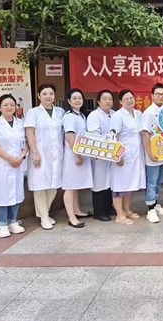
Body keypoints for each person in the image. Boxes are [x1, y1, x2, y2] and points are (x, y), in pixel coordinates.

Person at [0, 94, 28, 238]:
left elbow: (26, 143)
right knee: (2, 194)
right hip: (1, 165)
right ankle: (2, 224)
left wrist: (21, 157)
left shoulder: (21, 123)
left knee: (16, 193)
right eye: (6, 105)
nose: (9, 107)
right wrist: (10, 159)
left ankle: (13, 221)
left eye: (12, 105)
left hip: (18, 163)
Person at [25, 83, 65, 230]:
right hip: (40, 153)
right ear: (38, 96)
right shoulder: (33, 112)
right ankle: (44, 217)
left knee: (53, 186)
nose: (48, 96)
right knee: (40, 186)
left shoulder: (60, 112)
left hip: (56, 154)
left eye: (51, 93)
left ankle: (45, 213)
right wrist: (35, 152)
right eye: (45, 94)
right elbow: (29, 133)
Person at [110, 89, 145, 225]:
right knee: (119, 186)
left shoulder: (138, 114)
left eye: (131, 98)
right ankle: (119, 215)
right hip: (122, 157)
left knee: (130, 185)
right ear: (120, 102)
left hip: (135, 156)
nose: (129, 100)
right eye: (126, 99)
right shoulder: (117, 116)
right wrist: (117, 156)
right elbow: (113, 137)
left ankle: (127, 210)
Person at [61, 88, 93, 228]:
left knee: (76, 186)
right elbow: (70, 137)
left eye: (80, 98)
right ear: (69, 101)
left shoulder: (81, 116)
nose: (77, 100)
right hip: (73, 156)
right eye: (74, 98)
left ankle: (77, 210)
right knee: (70, 186)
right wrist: (77, 154)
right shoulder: (69, 117)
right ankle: (72, 218)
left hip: (80, 154)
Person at [139, 83, 163, 223]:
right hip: (152, 155)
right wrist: (150, 153)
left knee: (159, 181)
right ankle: (150, 209)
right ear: (152, 96)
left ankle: (156, 204)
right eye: (158, 94)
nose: (160, 97)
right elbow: (145, 134)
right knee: (152, 182)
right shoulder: (148, 113)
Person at [87, 89, 115, 222]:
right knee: (99, 183)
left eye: (110, 99)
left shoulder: (114, 114)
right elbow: (94, 135)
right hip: (99, 154)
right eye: (105, 99)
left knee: (109, 182)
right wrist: (101, 149)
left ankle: (109, 207)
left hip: (111, 154)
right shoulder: (94, 115)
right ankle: (99, 212)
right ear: (98, 101)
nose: (108, 101)